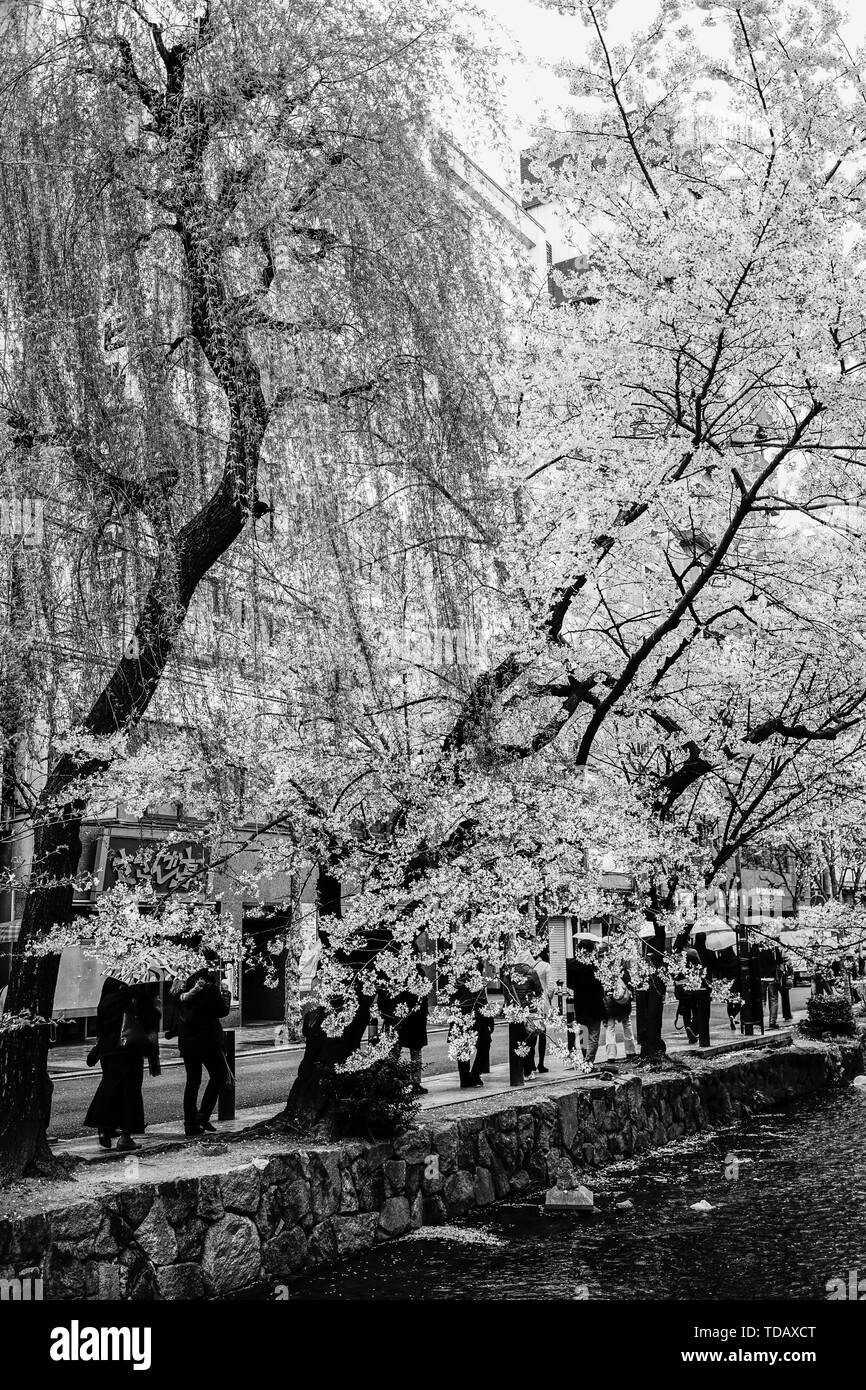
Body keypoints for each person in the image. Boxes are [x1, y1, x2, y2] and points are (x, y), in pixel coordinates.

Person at [84, 975, 158, 1151]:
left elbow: (100, 1029)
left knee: (110, 1087)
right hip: (128, 1050)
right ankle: (125, 1136)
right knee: (130, 1092)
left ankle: (104, 1127)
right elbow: (150, 1019)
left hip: (107, 1052)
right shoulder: (133, 996)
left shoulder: (106, 1000)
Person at [170, 968, 232, 1135]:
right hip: (207, 1040)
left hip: (187, 1042)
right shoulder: (209, 988)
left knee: (192, 1081)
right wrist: (226, 997)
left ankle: (189, 1122)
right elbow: (221, 1011)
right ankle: (203, 1115)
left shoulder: (180, 989)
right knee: (219, 1075)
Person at [378, 957, 430, 1096]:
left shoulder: (391, 972)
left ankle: (391, 1081)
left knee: (394, 1051)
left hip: (397, 1017)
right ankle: (414, 1082)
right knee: (414, 1051)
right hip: (413, 1018)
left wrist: (385, 1013)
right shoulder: (418, 973)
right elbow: (422, 998)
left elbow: (383, 995)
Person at [566, 943, 605, 1066]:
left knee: (583, 1032)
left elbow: (570, 984)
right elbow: (602, 983)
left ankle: (585, 1058)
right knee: (594, 1034)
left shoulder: (572, 965)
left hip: (580, 1002)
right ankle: (588, 1062)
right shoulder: (596, 965)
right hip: (595, 1003)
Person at [601, 963, 637, 1061]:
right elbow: (630, 985)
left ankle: (611, 1055)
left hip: (610, 1004)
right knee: (627, 1024)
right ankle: (631, 1051)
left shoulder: (603, 972)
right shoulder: (623, 970)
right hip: (623, 1003)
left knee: (610, 1027)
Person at [530, 946, 556, 1073]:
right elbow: (551, 986)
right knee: (542, 1034)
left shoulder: (529, 965)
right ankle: (541, 1063)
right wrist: (549, 998)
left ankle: (530, 1063)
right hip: (543, 1001)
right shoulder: (546, 966)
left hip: (531, 1003)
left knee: (531, 1033)